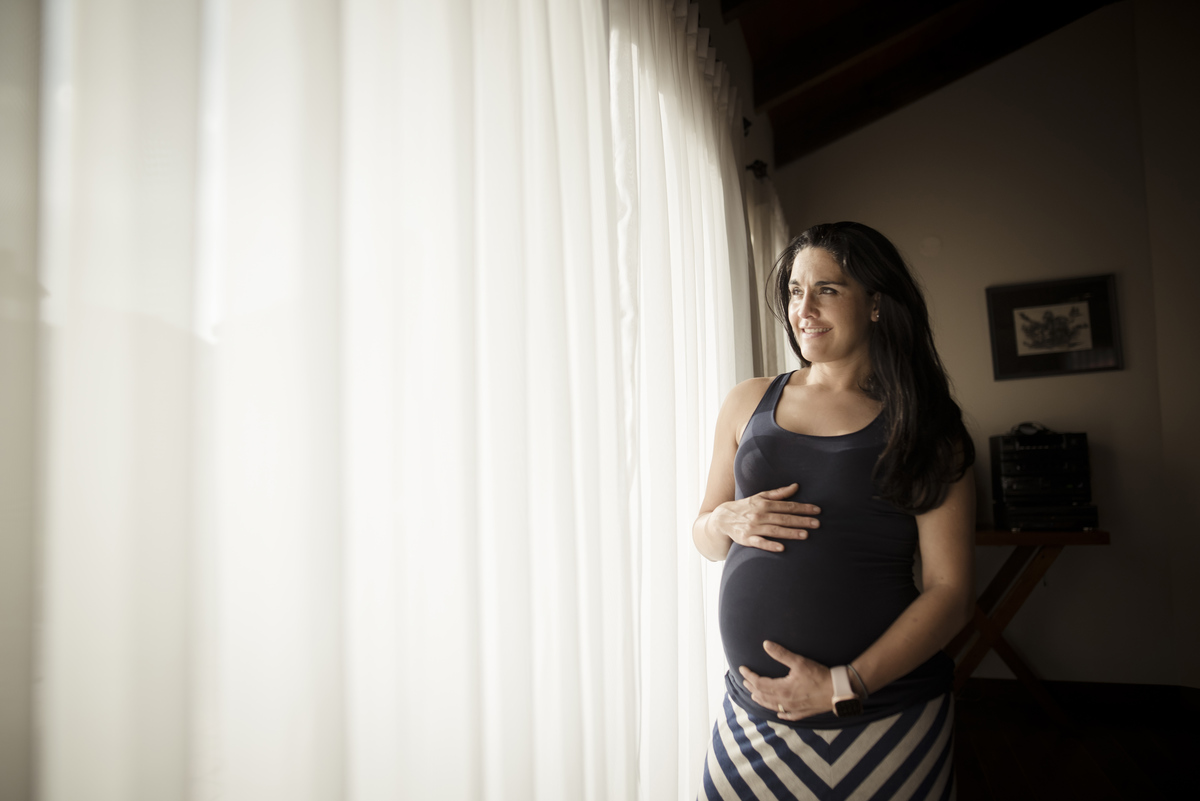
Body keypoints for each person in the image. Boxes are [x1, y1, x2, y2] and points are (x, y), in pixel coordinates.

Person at [693, 222, 975, 800]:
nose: (804, 308)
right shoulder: (747, 401)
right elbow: (705, 534)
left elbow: (951, 592)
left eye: (828, 289)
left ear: (875, 303)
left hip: (885, 716)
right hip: (754, 719)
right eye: (796, 291)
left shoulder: (926, 426)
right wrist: (722, 521)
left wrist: (844, 684)